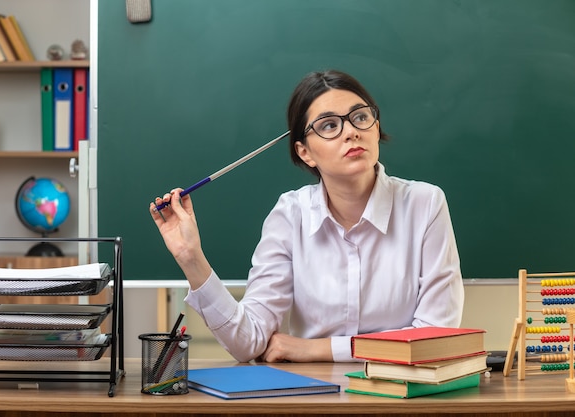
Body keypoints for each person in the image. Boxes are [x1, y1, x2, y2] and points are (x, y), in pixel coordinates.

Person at [149, 69, 464, 363]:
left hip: (400, 397)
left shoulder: (425, 203)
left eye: (360, 117)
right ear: (304, 152)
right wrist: (191, 257)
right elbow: (248, 342)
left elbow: (434, 338)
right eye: (329, 125)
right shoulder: (290, 215)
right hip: (310, 398)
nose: (351, 132)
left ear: (376, 127)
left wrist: (319, 348)